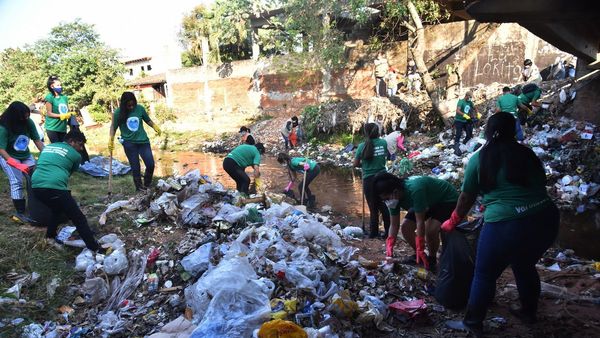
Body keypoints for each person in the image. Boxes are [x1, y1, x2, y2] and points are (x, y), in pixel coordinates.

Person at [443, 112, 559, 335]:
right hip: (545, 217)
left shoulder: (480, 158)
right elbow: (539, 184)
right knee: (525, 265)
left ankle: (473, 323)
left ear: (488, 131)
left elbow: (466, 198)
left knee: (484, 274)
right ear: (514, 129)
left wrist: (453, 221)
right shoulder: (528, 153)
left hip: (506, 224)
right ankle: (528, 312)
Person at [32, 130, 104, 252]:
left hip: (35, 186)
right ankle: (95, 248)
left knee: (57, 209)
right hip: (54, 186)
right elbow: (68, 172)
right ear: (71, 142)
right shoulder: (76, 156)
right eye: (80, 144)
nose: (81, 148)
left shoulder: (48, 147)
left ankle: (50, 236)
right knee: (78, 218)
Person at [373, 173, 459, 270]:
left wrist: (421, 246)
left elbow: (420, 222)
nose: (387, 202)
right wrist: (390, 244)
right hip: (426, 201)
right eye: (384, 200)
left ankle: (432, 259)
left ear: (395, 192)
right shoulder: (393, 199)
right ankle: (420, 256)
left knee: (430, 231)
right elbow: (394, 224)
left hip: (445, 199)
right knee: (406, 227)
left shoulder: (415, 190)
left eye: (387, 199)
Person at [0, 101, 45, 222]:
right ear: (15, 116)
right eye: (23, 116)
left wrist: (47, 155)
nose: (26, 118)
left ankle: (38, 203)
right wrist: (16, 164)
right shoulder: (3, 128)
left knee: (36, 178)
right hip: (8, 156)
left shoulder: (28, 122)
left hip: (25, 155)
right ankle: (20, 211)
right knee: (16, 181)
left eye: (27, 115)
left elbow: (37, 140)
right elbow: (1, 150)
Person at [109, 92, 161, 191]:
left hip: (143, 141)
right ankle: (139, 187)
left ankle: (147, 184)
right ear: (124, 104)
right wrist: (110, 140)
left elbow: (147, 120)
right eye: (129, 105)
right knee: (135, 166)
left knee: (150, 164)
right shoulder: (118, 113)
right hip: (129, 143)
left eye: (133, 104)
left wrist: (154, 126)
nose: (132, 107)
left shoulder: (140, 108)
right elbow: (113, 127)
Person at [353, 123, 390, 238]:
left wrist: (364, 164)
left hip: (369, 179)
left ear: (365, 133)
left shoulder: (361, 146)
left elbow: (355, 164)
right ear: (377, 131)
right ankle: (388, 232)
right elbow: (386, 156)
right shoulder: (383, 143)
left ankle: (373, 233)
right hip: (383, 177)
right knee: (384, 206)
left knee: (373, 207)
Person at [44, 75, 75, 143]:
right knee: (57, 146)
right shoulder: (49, 97)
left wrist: (70, 114)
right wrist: (61, 116)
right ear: (52, 86)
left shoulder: (64, 97)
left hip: (62, 128)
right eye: (58, 85)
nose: (60, 87)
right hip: (52, 127)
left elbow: (67, 110)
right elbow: (49, 113)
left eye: (60, 85)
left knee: (64, 146)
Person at [454, 91, 478, 156]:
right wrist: (464, 115)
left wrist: (477, 113)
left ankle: (464, 144)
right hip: (459, 120)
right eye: (469, 97)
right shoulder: (461, 102)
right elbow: (457, 110)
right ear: (466, 96)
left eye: (471, 97)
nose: (470, 98)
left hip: (466, 120)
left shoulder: (469, 102)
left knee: (469, 133)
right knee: (458, 133)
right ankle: (456, 146)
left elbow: (474, 107)